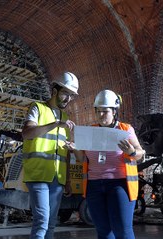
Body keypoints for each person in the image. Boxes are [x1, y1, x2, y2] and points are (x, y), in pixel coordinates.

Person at [65, 89, 144, 239]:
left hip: (119, 185)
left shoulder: (125, 130)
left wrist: (132, 151)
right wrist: (75, 149)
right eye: (98, 111)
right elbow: (82, 159)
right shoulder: (91, 131)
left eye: (105, 111)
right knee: (104, 232)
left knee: (123, 231)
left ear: (114, 111)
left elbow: (140, 153)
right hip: (94, 187)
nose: (101, 115)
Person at [22, 72, 79, 239]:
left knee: (52, 223)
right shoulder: (37, 108)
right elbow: (27, 133)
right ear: (54, 90)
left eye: (71, 96)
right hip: (38, 174)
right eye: (65, 93)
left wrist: (68, 180)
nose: (68, 99)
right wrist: (55, 124)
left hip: (58, 178)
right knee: (42, 221)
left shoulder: (66, 118)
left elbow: (65, 153)